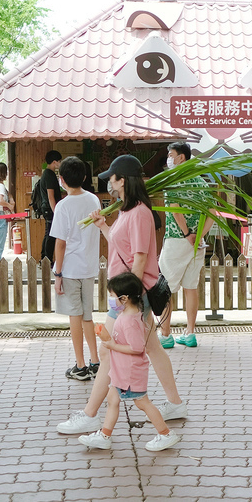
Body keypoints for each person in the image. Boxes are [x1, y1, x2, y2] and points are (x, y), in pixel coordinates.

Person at [56, 154, 187, 435]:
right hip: (129, 295)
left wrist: (131, 303)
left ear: (123, 181)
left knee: (106, 350)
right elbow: (122, 249)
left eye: (112, 180)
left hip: (131, 296)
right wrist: (104, 226)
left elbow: (139, 259)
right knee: (151, 348)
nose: (109, 185)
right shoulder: (127, 211)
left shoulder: (139, 213)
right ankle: (175, 404)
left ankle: (91, 415)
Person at [79, 272, 181, 452]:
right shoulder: (127, 315)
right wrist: (107, 337)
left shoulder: (129, 320)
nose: (110, 300)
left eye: (112, 296)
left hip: (130, 373)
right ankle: (105, 435)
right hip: (122, 373)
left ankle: (166, 434)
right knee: (112, 399)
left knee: (142, 403)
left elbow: (137, 348)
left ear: (124, 298)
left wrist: (111, 345)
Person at [50, 156, 102, 381]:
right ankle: (95, 360)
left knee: (75, 316)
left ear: (61, 179)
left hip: (70, 269)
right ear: (84, 177)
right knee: (87, 317)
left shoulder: (63, 206)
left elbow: (60, 243)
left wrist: (58, 273)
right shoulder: (93, 200)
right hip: (89, 267)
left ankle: (80, 366)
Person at [158, 142, 207, 349]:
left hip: (176, 240)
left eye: (171, 155)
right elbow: (212, 213)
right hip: (198, 243)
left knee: (166, 288)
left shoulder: (174, 182)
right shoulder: (201, 183)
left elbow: (175, 211)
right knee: (190, 287)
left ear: (182, 158)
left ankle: (166, 335)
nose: (168, 159)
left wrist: (187, 234)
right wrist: (198, 236)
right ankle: (190, 333)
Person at [40, 150, 63, 263]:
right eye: (59, 161)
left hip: (47, 208)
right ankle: (47, 259)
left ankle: (45, 258)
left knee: (48, 233)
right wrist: (56, 211)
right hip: (50, 209)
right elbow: (51, 196)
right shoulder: (49, 175)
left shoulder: (47, 174)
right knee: (51, 234)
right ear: (54, 162)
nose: (60, 163)